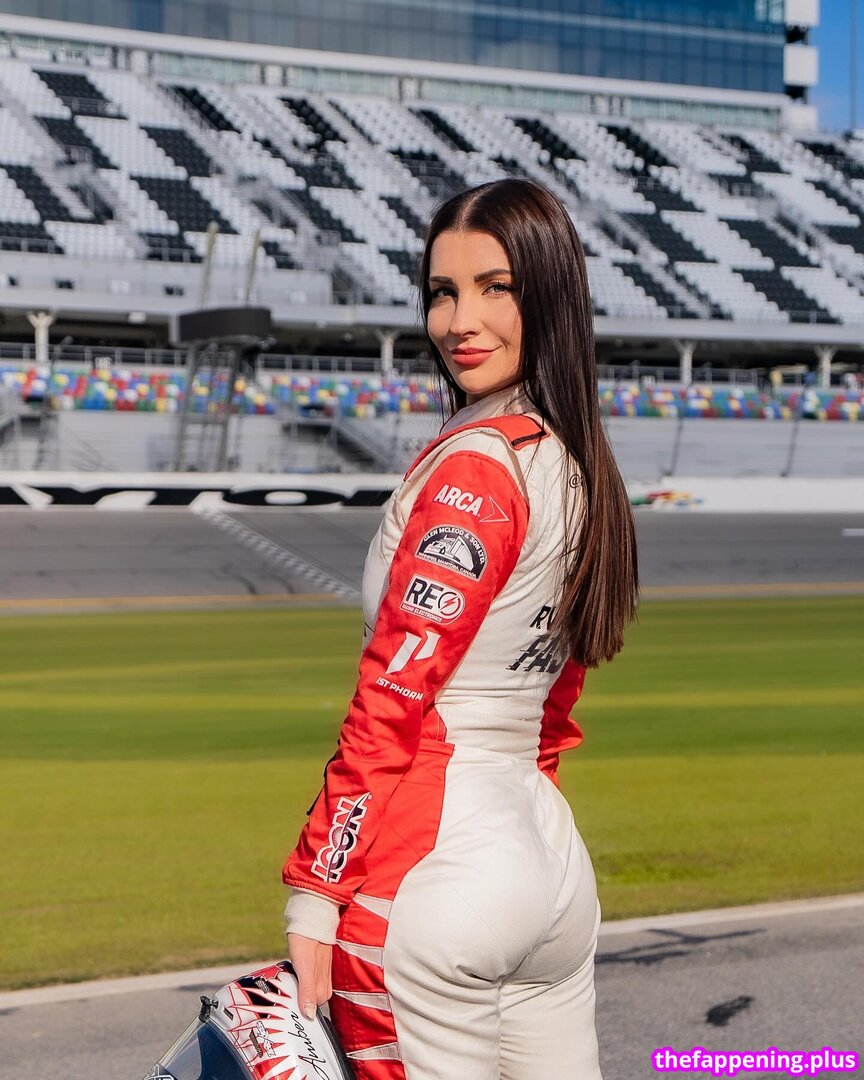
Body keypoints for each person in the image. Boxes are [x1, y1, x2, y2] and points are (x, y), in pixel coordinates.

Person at [282, 178, 639, 1080]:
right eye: (443, 292)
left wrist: (317, 888)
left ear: (549, 294)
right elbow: (556, 696)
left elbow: (393, 693)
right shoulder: (579, 462)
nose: (459, 321)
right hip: (546, 857)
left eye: (495, 288)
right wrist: (522, 826)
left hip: (435, 866)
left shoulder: (475, 466)